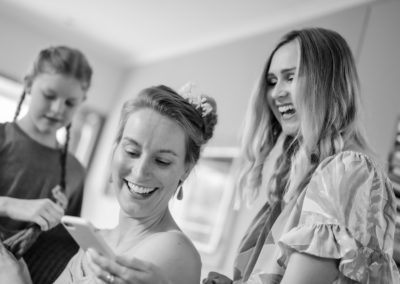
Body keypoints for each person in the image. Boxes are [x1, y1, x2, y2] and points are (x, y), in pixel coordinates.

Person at [203, 27, 400, 283]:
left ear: (328, 83)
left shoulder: (348, 171)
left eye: (291, 77)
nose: (276, 92)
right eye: (272, 82)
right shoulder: (298, 185)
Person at [51, 84, 218, 284]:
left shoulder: (174, 248)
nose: (139, 172)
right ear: (115, 151)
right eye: (131, 152)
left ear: (185, 171)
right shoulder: (96, 238)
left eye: (162, 161)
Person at [0, 45, 93, 283]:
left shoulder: (75, 172)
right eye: (49, 95)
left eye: (70, 103)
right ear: (29, 83)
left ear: (82, 101)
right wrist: (9, 205)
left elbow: (61, 250)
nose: (57, 109)